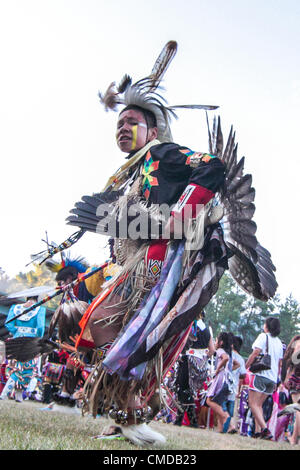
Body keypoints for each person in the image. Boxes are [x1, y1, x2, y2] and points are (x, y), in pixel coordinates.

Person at [57, 41, 277, 446]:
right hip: (143, 260)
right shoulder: (135, 169)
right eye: (118, 123)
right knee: (112, 328)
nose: (122, 128)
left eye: (132, 122)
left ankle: (133, 414)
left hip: (167, 263)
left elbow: (212, 166)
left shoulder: (164, 153)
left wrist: (180, 217)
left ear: (153, 131)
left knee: (143, 332)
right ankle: (122, 416)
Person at [173, 311, 215, 428]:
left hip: (188, 360)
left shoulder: (191, 326)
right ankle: (187, 420)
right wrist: (203, 358)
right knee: (188, 391)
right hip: (200, 363)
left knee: (183, 389)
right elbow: (212, 350)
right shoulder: (206, 330)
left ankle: (185, 420)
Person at [0, 295, 46, 401]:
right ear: (37, 298)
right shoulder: (40, 309)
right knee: (26, 369)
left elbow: (8, 323)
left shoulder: (15, 307)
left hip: (17, 339)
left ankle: (18, 395)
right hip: (30, 341)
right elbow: (40, 328)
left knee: (16, 366)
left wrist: (17, 332)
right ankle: (5, 393)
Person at [246, 317, 283, 440]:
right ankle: (257, 432)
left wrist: (247, 366)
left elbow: (256, 352)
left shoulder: (263, 336)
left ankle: (265, 429)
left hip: (262, 374)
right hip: (272, 378)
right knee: (258, 405)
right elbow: (279, 363)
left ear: (267, 326)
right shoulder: (279, 342)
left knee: (252, 403)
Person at [206, 332, 237, 432]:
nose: (215, 342)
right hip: (227, 378)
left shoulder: (220, 350)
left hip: (220, 377)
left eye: (216, 340)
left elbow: (225, 359)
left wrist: (218, 369)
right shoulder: (229, 352)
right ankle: (223, 428)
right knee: (218, 403)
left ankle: (225, 416)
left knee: (209, 400)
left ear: (221, 342)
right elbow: (236, 364)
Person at [222, 335, 246, 433]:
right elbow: (244, 374)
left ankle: (226, 427)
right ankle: (229, 426)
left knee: (222, 406)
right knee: (230, 408)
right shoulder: (241, 359)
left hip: (224, 383)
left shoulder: (227, 354)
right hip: (234, 386)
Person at [281, 335, 300, 445]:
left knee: (297, 408)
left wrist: (289, 374)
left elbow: (295, 359)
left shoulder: (297, 342)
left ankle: (294, 438)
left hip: (297, 378)